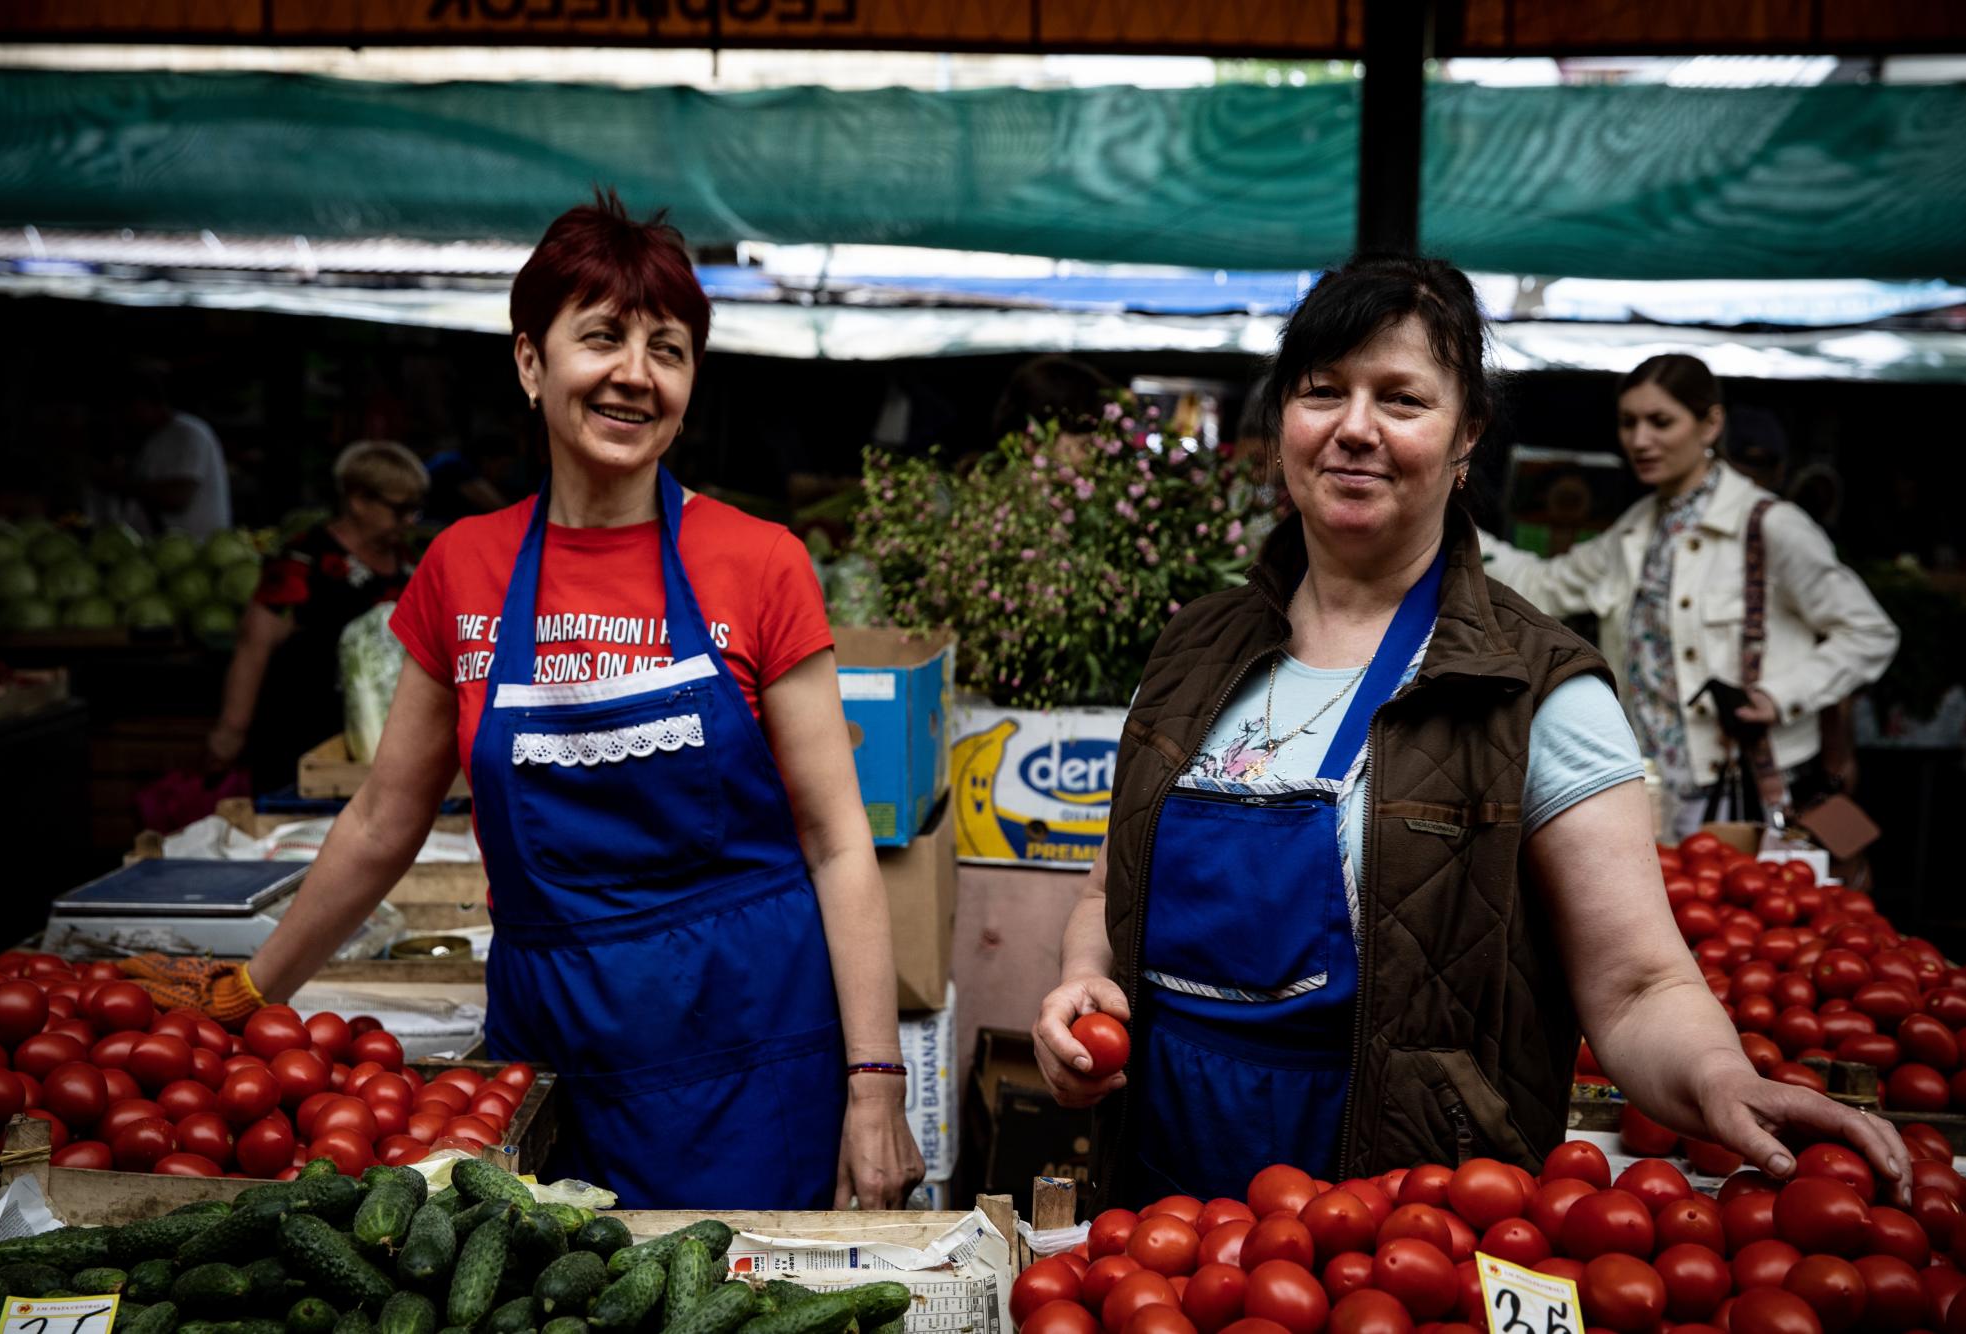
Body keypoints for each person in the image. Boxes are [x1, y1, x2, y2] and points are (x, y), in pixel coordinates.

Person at [1030, 255, 1909, 1206]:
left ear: (1465, 438)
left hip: (1401, 1222)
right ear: (1283, 417)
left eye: (1402, 400)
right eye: (1323, 391)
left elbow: (1637, 985)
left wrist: (1721, 1078)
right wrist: (1085, 985)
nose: (1354, 429)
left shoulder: (1537, 691)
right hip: (1160, 1201)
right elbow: (1104, 895)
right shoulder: (1192, 649)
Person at [130, 191, 923, 1210]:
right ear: (530, 361)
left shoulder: (759, 563)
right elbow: (382, 817)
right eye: (602, 337)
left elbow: (838, 841)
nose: (636, 374)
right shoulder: (464, 568)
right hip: (547, 1055)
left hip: (750, 1048)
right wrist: (257, 988)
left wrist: (875, 1082)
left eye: (669, 349)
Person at [1477, 355, 1898, 840]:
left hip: (1743, 794)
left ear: (1711, 423)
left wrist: (1780, 696)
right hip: (1647, 790)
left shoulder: (1768, 526)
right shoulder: (1634, 530)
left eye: (1660, 422)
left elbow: (1870, 632)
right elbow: (1542, 587)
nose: (1640, 440)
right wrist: (1448, 528)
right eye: (1628, 422)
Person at [206, 442, 428, 792]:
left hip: (384, 751)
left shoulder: (407, 564)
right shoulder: (304, 561)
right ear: (358, 500)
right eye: (400, 510)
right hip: (301, 739)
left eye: (415, 509)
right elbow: (254, 644)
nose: (410, 520)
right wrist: (231, 729)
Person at [121, 364, 233, 538]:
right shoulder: (155, 438)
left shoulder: (189, 433)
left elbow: (177, 497)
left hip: (196, 550)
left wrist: (117, 483)